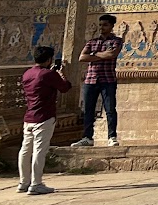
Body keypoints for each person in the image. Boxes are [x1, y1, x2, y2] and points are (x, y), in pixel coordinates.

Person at [18, 46, 71, 194]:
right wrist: (62, 74)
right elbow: (65, 87)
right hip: (44, 116)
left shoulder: (27, 73)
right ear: (49, 60)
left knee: (25, 150)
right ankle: (36, 183)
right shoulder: (48, 74)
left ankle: (23, 182)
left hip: (29, 116)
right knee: (39, 151)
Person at [74, 14, 123, 147]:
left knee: (110, 109)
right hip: (91, 79)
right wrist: (101, 55)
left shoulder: (116, 41)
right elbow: (82, 57)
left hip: (108, 79)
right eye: (100, 25)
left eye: (105, 25)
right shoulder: (92, 42)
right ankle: (87, 137)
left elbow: (112, 54)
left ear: (111, 26)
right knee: (88, 109)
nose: (102, 27)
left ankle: (112, 136)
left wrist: (93, 55)